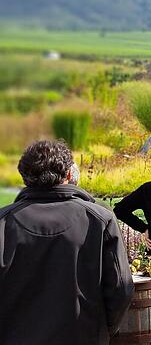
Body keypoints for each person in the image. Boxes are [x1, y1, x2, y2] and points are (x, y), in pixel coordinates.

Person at [0, 140, 134, 344]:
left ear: (25, 177)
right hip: (83, 335)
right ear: (69, 174)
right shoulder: (99, 219)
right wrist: (104, 329)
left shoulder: (3, 222)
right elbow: (121, 288)